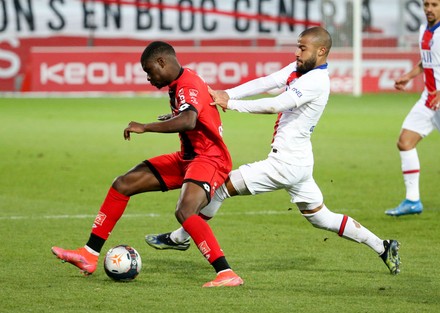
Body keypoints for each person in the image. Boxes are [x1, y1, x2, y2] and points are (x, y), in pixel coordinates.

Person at [145, 27, 401, 275]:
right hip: (299, 163)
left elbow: (276, 105)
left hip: (285, 165)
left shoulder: (317, 81)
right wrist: (225, 94)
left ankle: (180, 237)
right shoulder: (300, 69)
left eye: (303, 48)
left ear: (321, 51)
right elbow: (267, 82)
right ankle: (383, 246)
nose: (297, 53)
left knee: (220, 188)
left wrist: (232, 104)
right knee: (322, 218)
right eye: (297, 47)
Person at [51, 41, 243, 288]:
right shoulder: (180, 84)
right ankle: (88, 254)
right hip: (188, 157)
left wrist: (146, 126)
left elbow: (188, 120)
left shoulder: (187, 83)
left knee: (185, 211)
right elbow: (191, 112)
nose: (149, 78)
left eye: (149, 71)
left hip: (209, 159)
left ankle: (226, 272)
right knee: (123, 184)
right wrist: (175, 116)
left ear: (162, 62)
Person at [385, 0, 440, 216]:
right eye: (426, 4)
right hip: (429, 100)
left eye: (434, 4)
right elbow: (427, 61)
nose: (429, 8)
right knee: (405, 142)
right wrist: (408, 76)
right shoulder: (424, 30)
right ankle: (412, 200)